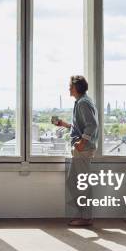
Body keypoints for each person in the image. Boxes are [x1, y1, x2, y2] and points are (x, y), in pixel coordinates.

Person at [52, 75, 99, 227]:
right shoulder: (81, 101)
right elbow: (81, 125)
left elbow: (92, 125)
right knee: (73, 182)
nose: (69, 88)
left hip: (83, 149)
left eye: (70, 86)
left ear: (76, 88)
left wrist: (82, 141)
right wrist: (64, 124)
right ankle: (83, 214)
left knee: (82, 183)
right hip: (81, 148)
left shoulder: (83, 103)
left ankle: (86, 218)